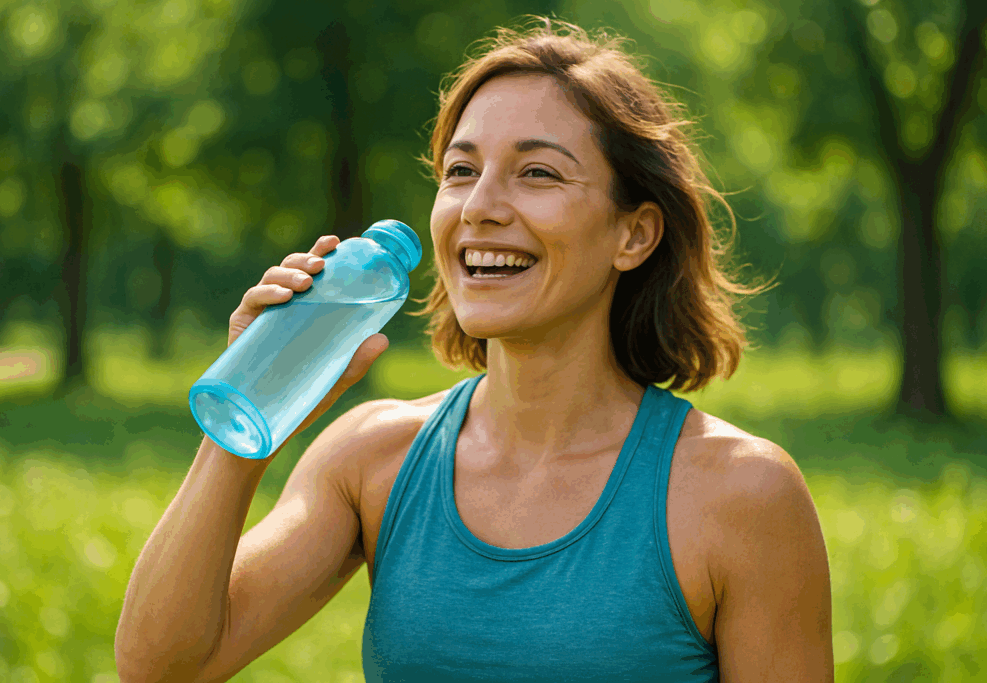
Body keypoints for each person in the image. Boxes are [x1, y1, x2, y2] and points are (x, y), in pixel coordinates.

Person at [115, 16, 833, 683]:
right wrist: (249, 415)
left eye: (538, 172)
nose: (479, 206)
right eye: (461, 171)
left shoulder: (741, 493)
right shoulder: (373, 459)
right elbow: (163, 664)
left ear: (634, 234)